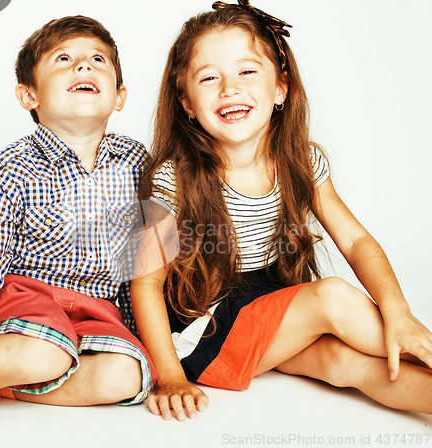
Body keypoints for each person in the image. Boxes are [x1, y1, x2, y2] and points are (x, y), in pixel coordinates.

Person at [130, 0, 432, 422]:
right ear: (186, 101)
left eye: (247, 71)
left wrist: (397, 312)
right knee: (332, 297)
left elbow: (357, 240)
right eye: (209, 77)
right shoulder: (175, 178)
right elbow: (146, 283)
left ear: (281, 88)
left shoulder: (300, 161)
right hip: (206, 334)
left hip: (271, 313)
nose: (229, 88)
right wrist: (170, 376)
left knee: (344, 364)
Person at [0, 15, 157, 415]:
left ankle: (3, 385)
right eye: (64, 59)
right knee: (45, 353)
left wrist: (146, 339)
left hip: (95, 312)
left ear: (120, 96)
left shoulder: (139, 162)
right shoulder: (13, 166)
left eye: (98, 60)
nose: (84, 66)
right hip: (26, 303)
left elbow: (144, 267)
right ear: (28, 95)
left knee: (129, 375)